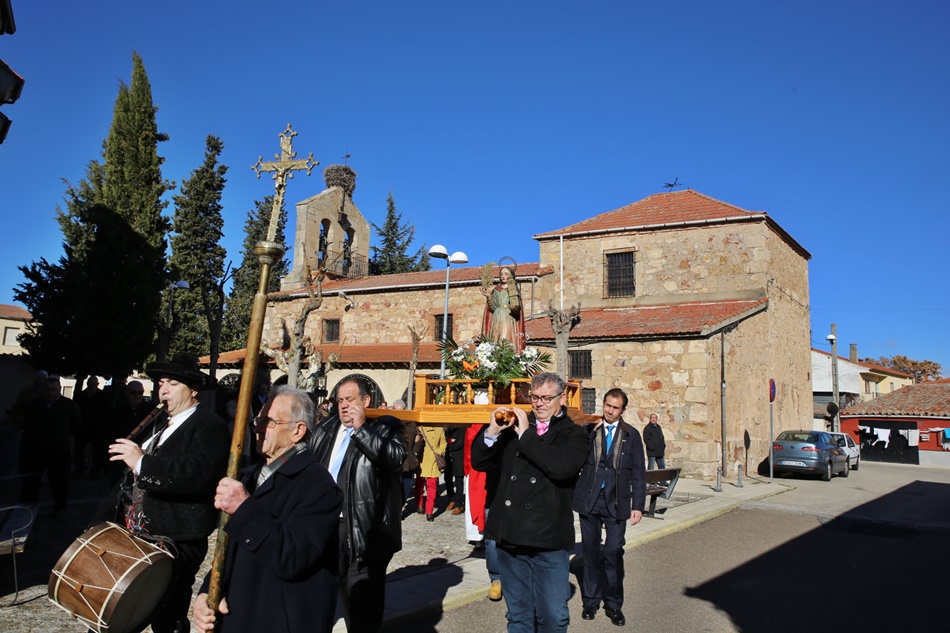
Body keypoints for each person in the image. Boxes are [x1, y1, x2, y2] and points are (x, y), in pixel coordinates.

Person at [192, 386, 343, 633]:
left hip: (279, 620)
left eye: (268, 421)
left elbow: (293, 557)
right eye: (257, 420)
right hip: (236, 616)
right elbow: (227, 549)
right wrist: (207, 592)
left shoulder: (319, 486)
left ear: (297, 431)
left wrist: (243, 507)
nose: (258, 427)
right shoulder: (248, 477)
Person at [99, 356, 230, 633]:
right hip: (137, 534)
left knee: (166, 617)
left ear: (193, 389)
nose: (164, 390)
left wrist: (142, 462)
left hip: (177, 538)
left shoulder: (210, 425)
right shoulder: (159, 421)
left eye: (173, 383)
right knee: (117, 612)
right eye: (161, 383)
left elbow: (198, 474)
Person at [471, 372, 588, 632]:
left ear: (562, 398)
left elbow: (560, 468)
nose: (539, 403)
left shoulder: (574, 435)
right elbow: (479, 462)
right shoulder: (514, 427)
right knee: (519, 617)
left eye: (547, 397)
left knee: (553, 617)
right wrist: (491, 432)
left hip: (548, 541)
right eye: (534, 397)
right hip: (511, 537)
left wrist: (526, 436)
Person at [308, 376, 406, 632]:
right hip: (326, 528)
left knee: (363, 609)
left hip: (365, 531)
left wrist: (362, 430)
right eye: (339, 400)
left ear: (366, 400)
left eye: (349, 400)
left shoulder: (388, 427)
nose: (343, 406)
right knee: (326, 599)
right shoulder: (326, 428)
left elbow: (396, 459)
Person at [573, 388, 646, 627]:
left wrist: (638, 506)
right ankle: (590, 602)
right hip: (590, 500)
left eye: (615, 408)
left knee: (614, 552)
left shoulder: (631, 435)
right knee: (591, 553)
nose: (610, 411)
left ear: (622, 410)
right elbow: (575, 460)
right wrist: (586, 435)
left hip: (617, 502)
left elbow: (638, 473)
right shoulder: (589, 430)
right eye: (607, 406)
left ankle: (614, 604)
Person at [19, 374, 82, 513]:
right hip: (36, 451)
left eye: (54, 390)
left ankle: (59, 507)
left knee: (59, 482)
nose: (51, 393)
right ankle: (26, 509)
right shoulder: (34, 405)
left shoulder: (69, 405)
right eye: (48, 390)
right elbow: (27, 423)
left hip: (59, 451)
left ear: (59, 389)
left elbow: (76, 425)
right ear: (43, 390)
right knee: (32, 482)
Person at [464, 423, 502, 601]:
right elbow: (472, 458)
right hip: (489, 485)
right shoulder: (477, 428)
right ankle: (496, 579)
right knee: (491, 538)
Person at [103, 380, 154, 486]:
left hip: (141, 454)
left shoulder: (150, 411)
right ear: (126, 393)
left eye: (140, 392)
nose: (137, 395)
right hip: (120, 457)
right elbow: (108, 434)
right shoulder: (116, 412)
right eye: (133, 392)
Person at [480, 265, 525, 351]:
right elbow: (492, 308)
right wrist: (489, 296)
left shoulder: (514, 289)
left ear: (511, 275)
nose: (503, 276)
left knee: (506, 338)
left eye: (506, 274)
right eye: (501, 274)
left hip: (508, 316)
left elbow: (518, 309)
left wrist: (515, 308)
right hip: (497, 317)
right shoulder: (496, 289)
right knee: (496, 339)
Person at [415, 424, 446, 521]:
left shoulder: (439, 428)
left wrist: (438, 451)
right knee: (419, 485)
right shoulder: (419, 428)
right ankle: (419, 504)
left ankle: (429, 511)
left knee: (432, 487)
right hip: (421, 461)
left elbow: (443, 443)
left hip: (433, 462)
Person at [443, 425, 466, 514]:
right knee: (447, 479)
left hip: (458, 459)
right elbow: (444, 442)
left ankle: (459, 504)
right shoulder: (448, 429)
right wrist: (450, 442)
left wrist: (449, 443)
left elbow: (459, 443)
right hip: (449, 458)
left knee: (459, 481)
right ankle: (451, 499)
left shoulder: (462, 429)